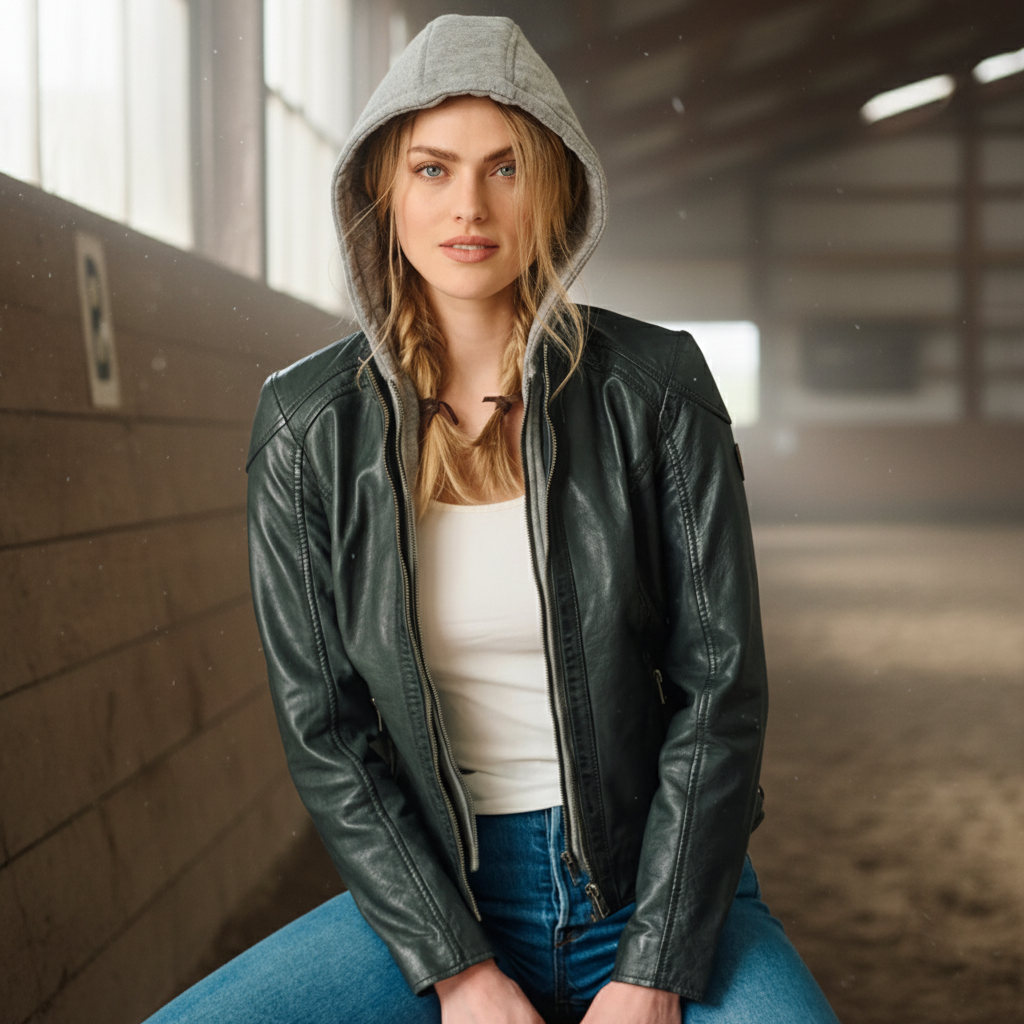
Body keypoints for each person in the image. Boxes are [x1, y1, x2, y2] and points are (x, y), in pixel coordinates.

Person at [146, 14, 839, 1024]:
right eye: (432, 169)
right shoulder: (306, 427)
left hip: (653, 887)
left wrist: (653, 966)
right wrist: (457, 968)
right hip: (439, 901)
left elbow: (720, 693)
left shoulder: (655, 390)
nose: (468, 204)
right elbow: (328, 730)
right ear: (382, 188)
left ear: (554, 188)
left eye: (504, 168)